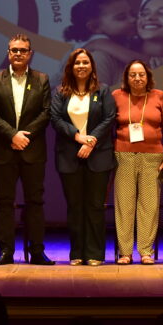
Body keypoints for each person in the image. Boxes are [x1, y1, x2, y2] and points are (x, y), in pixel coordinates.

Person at [0, 34, 54, 265]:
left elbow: (46, 112)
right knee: (5, 202)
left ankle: (36, 252)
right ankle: (6, 252)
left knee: (35, 202)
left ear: (30, 53)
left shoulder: (42, 79)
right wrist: (12, 135)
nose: (18, 54)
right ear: (8, 53)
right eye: (14, 50)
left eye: (23, 50)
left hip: (33, 150)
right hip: (4, 150)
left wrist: (25, 136)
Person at [50, 48, 116, 266]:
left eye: (85, 62)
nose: (81, 66)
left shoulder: (103, 91)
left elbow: (109, 118)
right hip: (69, 156)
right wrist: (78, 137)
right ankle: (77, 252)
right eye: (77, 62)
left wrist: (90, 141)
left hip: (98, 155)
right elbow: (56, 119)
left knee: (95, 206)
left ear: (92, 66)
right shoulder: (61, 92)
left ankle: (95, 253)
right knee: (75, 206)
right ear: (71, 66)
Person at [112, 60, 163, 265]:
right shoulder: (117, 97)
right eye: (132, 75)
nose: (137, 78)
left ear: (148, 76)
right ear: (126, 78)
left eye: (141, 74)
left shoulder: (159, 97)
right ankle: (125, 253)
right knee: (124, 205)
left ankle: (146, 251)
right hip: (124, 155)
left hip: (153, 157)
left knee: (149, 205)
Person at [57, 0, 143, 87]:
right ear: (95, 27)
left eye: (132, 14)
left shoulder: (118, 38)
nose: (133, 19)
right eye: (121, 18)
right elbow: (137, 61)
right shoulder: (99, 42)